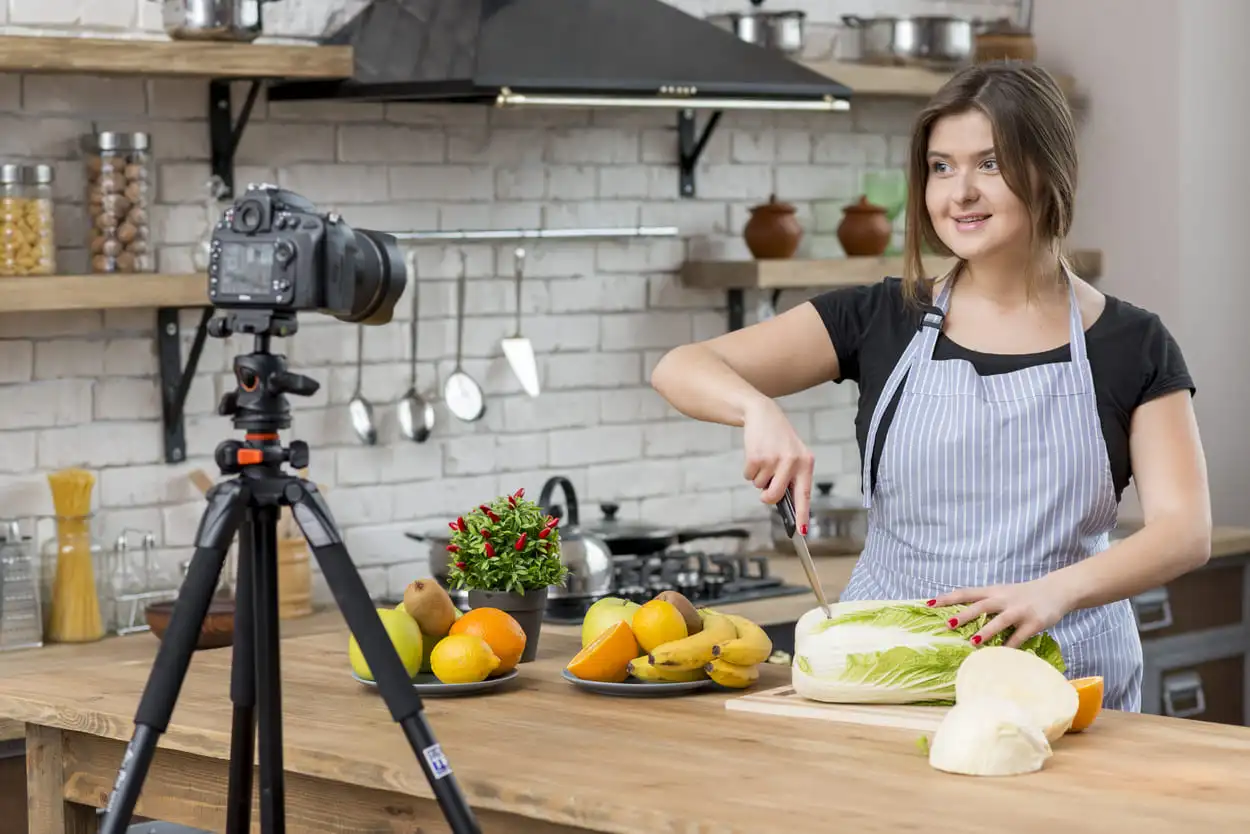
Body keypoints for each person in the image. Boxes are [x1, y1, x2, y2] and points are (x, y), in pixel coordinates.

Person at [649, 62, 1211, 712]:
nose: (959, 192)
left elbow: (1184, 531)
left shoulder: (1131, 343)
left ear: (1049, 170)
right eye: (941, 167)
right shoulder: (882, 318)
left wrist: (1053, 592)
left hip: (1063, 684)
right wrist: (755, 408)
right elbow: (681, 367)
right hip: (888, 681)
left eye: (990, 164)